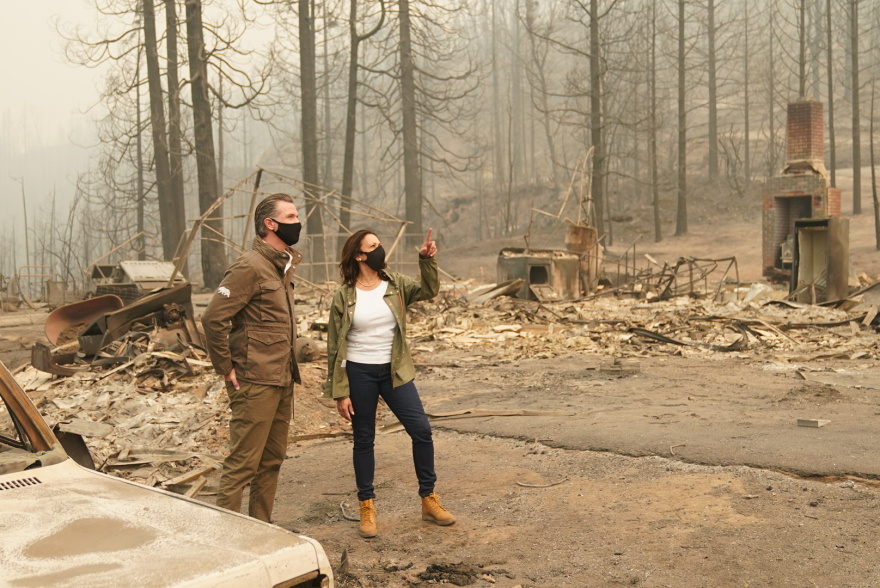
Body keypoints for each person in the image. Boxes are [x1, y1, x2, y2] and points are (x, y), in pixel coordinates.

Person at [324, 228, 455, 538]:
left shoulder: (395, 285)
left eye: (380, 245)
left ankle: (428, 499)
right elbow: (334, 347)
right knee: (364, 439)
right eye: (374, 246)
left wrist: (426, 261)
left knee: (421, 430)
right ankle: (367, 506)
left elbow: (429, 290)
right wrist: (340, 392)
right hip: (359, 373)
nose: (380, 250)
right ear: (359, 255)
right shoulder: (343, 296)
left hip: (394, 371)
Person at [201, 193, 303, 523]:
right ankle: (228, 540)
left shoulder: (281, 268)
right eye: (290, 217)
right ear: (269, 224)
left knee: (271, 461)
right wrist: (225, 367)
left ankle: (261, 529)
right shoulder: (250, 267)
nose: (297, 222)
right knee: (243, 464)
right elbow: (213, 318)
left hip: (281, 378)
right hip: (254, 381)